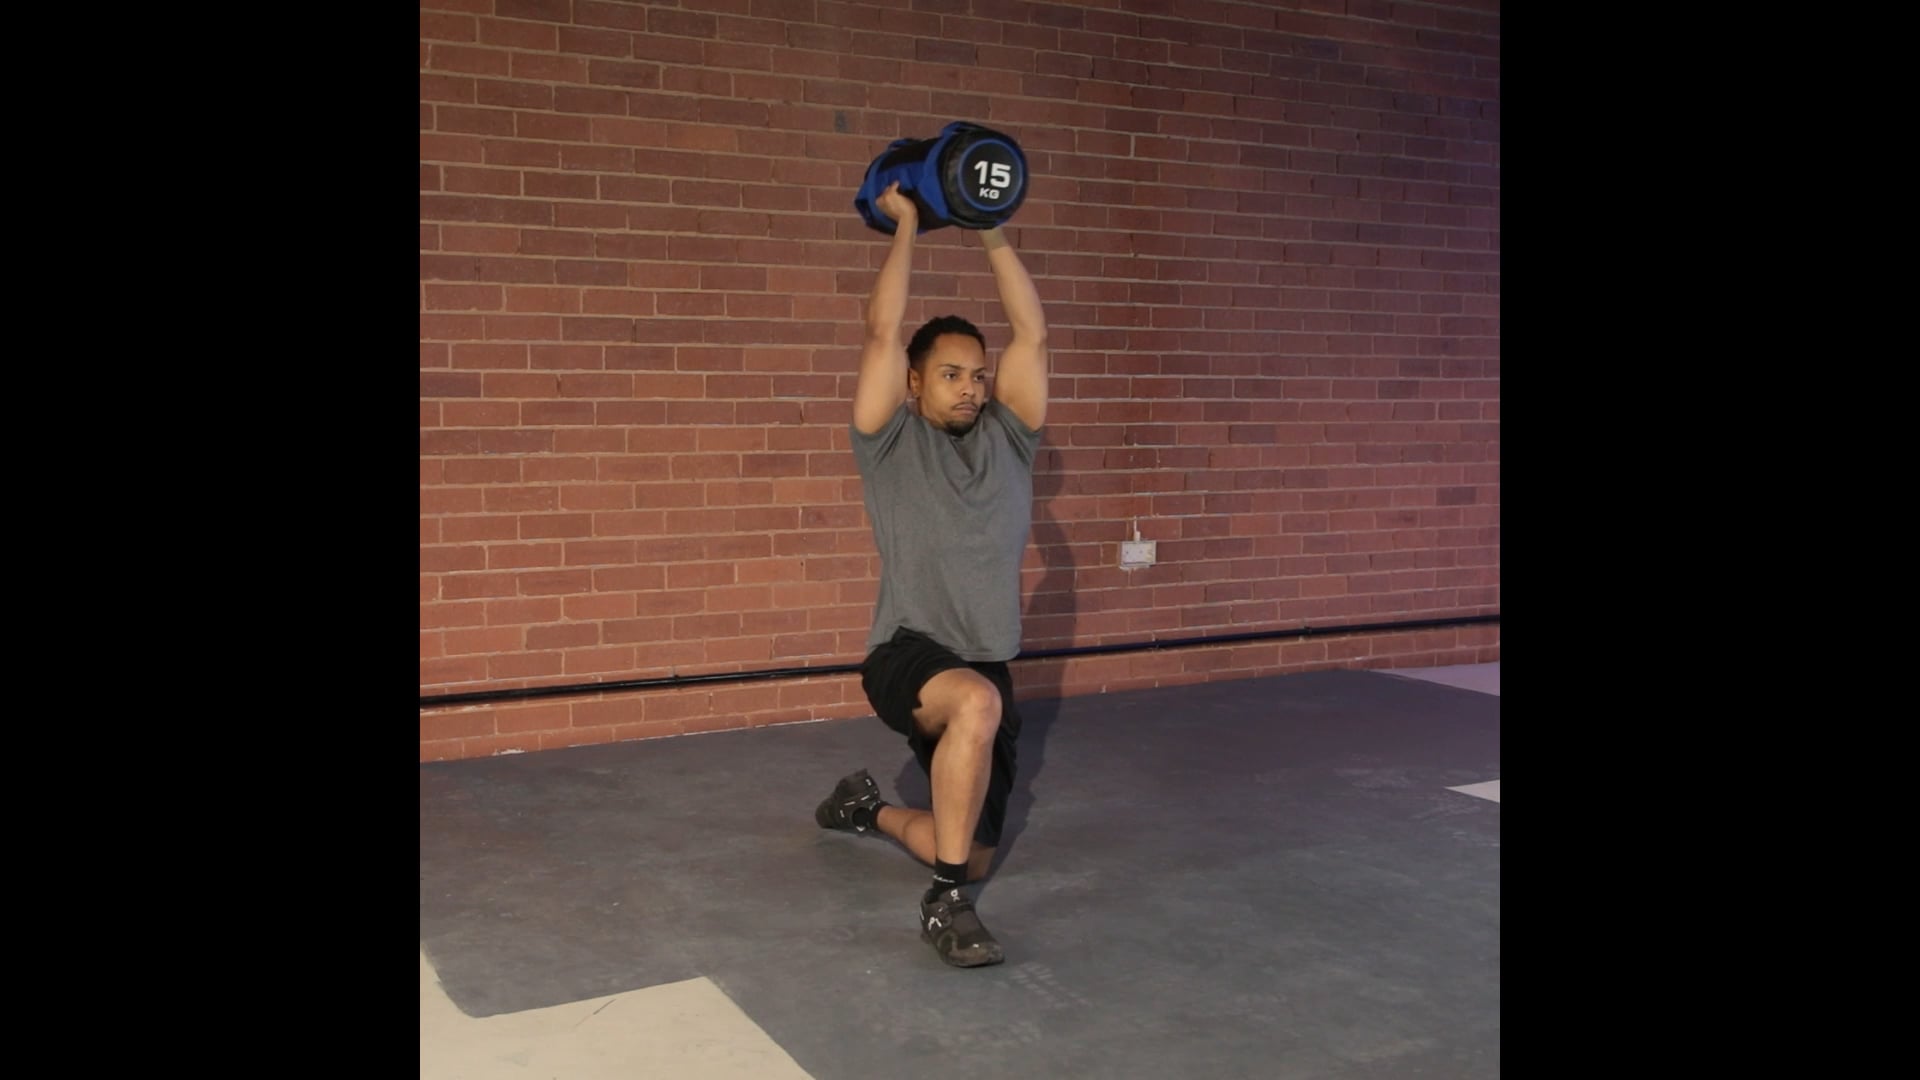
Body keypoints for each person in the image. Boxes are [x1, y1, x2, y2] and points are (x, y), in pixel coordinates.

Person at [814, 181, 1049, 969]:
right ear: (916, 384)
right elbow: (882, 333)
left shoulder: (1011, 442)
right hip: (906, 650)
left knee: (974, 847)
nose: (972, 388)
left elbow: (1033, 334)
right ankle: (945, 905)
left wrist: (989, 230)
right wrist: (909, 223)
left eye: (977, 375)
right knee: (975, 703)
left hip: (984, 661)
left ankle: (868, 808)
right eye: (951, 374)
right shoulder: (888, 444)